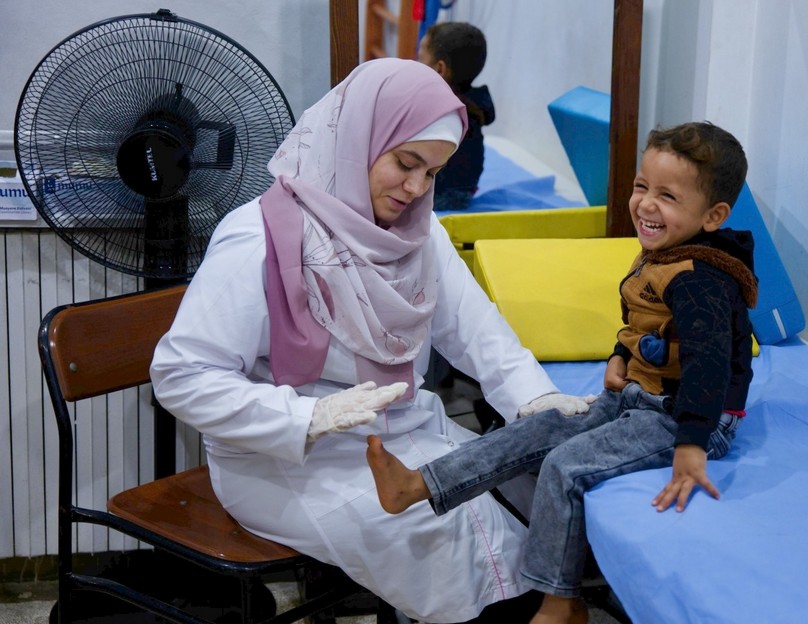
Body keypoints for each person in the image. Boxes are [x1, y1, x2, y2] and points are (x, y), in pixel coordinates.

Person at [149, 58, 594, 624]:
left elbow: (479, 331)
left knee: (529, 499)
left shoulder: (418, 233)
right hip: (287, 462)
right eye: (406, 163)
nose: (416, 188)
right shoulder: (258, 240)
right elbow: (183, 376)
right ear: (358, 139)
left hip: (404, 431)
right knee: (450, 541)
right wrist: (310, 416)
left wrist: (536, 401)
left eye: (432, 173)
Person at [368, 121, 759, 624]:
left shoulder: (700, 281)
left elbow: (709, 367)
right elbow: (644, 324)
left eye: (667, 196)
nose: (645, 204)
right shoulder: (665, 253)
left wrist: (691, 445)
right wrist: (620, 359)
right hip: (641, 395)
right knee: (539, 427)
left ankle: (560, 603)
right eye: (642, 186)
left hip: (684, 416)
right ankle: (420, 485)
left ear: (713, 216)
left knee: (565, 465)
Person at [417, 21, 494, 211]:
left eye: (420, 59)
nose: (416, 64)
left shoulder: (436, 107)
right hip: (466, 192)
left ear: (439, 69)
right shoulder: (477, 101)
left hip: (439, 195)